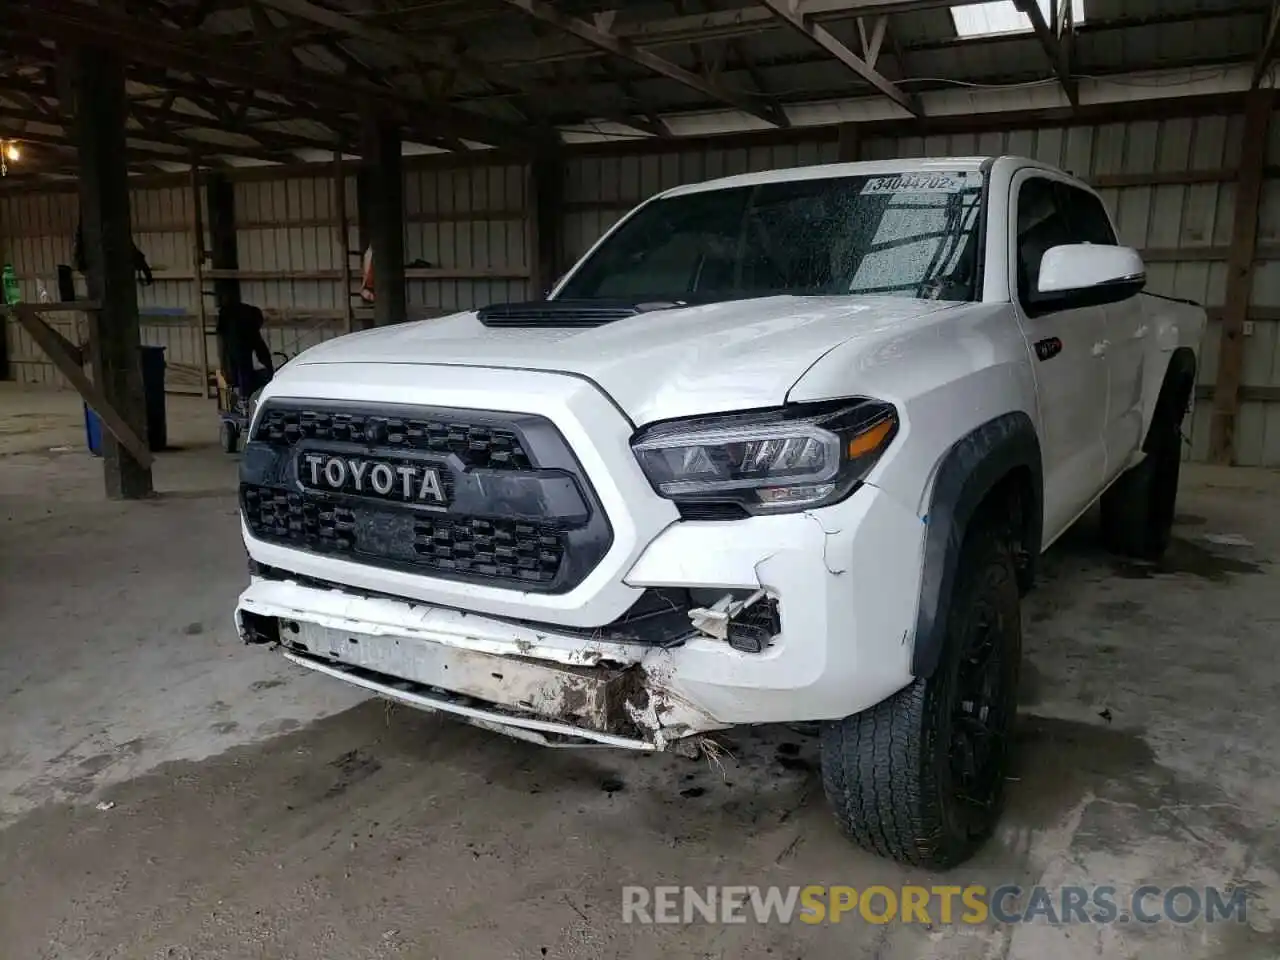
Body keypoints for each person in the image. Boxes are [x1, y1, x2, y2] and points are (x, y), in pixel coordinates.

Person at [215, 297, 273, 409]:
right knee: (243, 369)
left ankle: (236, 398)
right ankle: (244, 398)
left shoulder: (240, 314)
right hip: (238, 344)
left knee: (233, 369)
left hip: (230, 342)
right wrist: (269, 367)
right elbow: (260, 348)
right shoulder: (250, 321)